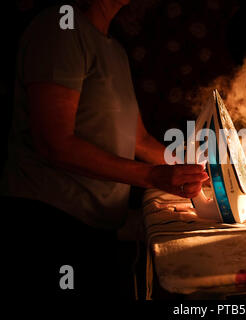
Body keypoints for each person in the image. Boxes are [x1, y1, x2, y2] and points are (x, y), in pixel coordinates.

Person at [1, 0, 208, 300]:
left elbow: (139, 140)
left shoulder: (114, 49)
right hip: (49, 224)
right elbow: (54, 143)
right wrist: (153, 176)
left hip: (97, 225)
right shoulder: (62, 25)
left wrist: (197, 171)